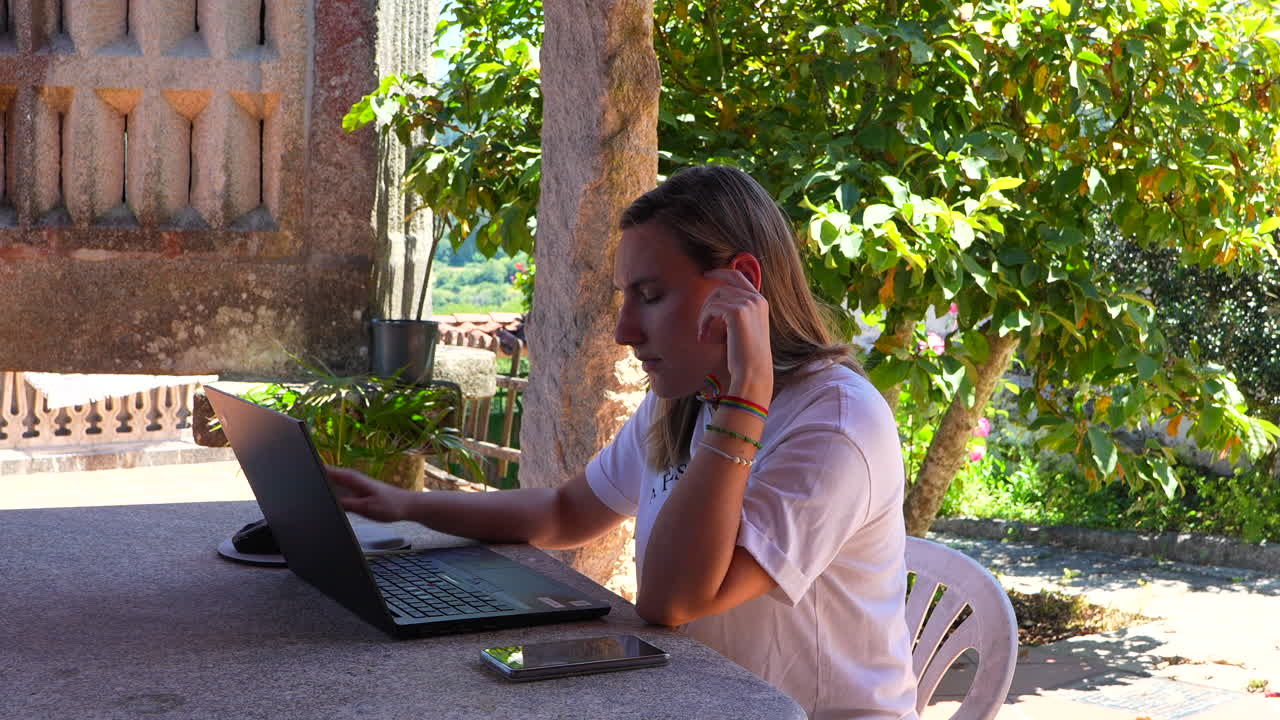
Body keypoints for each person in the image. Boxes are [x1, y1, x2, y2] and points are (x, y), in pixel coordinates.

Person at [328, 165, 919, 719]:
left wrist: (747, 396)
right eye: (624, 296)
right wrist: (402, 506)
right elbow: (566, 511)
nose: (624, 330)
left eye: (652, 295)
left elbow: (674, 600)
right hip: (702, 698)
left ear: (741, 286)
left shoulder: (833, 423)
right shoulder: (688, 397)